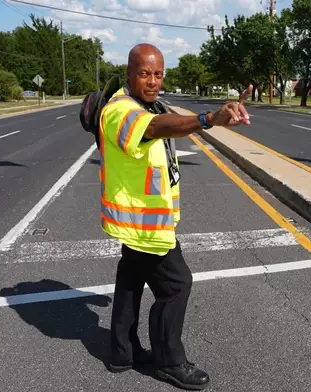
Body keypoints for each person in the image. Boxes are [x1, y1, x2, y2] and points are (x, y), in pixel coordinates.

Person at [98, 42, 252, 390]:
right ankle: (169, 361)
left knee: (131, 279)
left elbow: (161, 120)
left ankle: (123, 353)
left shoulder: (146, 103)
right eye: (144, 73)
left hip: (138, 220)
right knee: (177, 285)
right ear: (129, 74)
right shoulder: (120, 110)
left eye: (158, 73)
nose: (153, 81)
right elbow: (156, 127)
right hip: (143, 225)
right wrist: (208, 119)